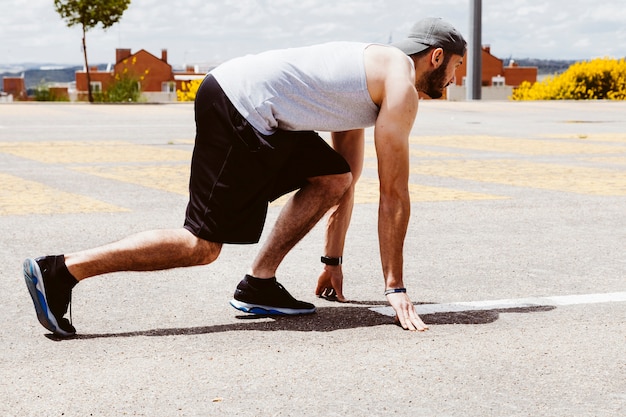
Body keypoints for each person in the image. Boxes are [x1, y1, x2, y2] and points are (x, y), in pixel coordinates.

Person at [23, 17, 466, 337]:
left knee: (333, 177)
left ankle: (260, 284)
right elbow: (394, 195)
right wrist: (396, 287)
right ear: (437, 56)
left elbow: (346, 176)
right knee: (201, 246)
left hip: (257, 109)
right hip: (240, 105)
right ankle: (61, 271)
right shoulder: (402, 85)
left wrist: (332, 262)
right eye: (456, 71)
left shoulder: (368, 74)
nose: (454, 82)